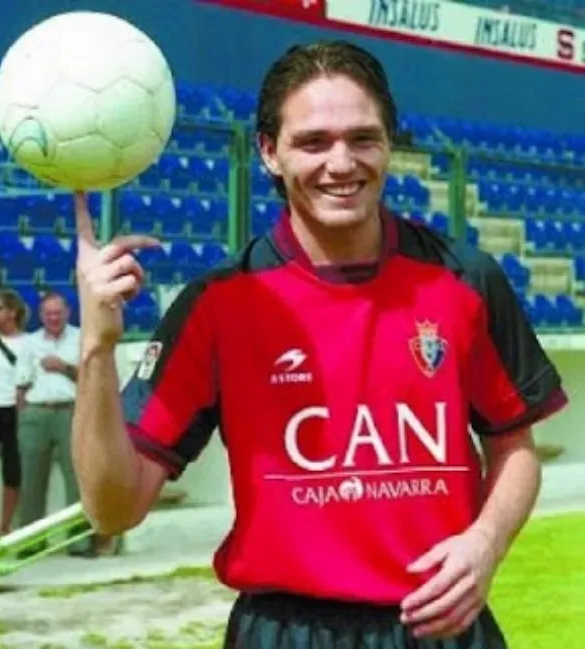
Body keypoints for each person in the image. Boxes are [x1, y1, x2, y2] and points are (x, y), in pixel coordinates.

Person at [72, 41, 568, 648]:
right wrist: (96, 351)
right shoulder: (218, 305)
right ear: (269, 153)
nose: (342, 163)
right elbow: (112, 511)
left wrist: (485, 544)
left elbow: (514, 446)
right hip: (285, 632)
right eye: (313, 142)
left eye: (363, 138)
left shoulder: (466, 280)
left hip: (442, 627)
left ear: (389, 145)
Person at [14, 291, 92, 556]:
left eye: (58, 313)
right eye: (48, 314)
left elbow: (94, 378)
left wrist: (65, 368)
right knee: (32, 481)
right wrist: (23, 418)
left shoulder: (82, 338)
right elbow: (21, 385)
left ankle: (79, 541)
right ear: (41, 315)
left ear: (67, 313)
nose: (53, 318)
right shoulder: (30, 343)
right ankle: (31, 543)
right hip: (36, 412)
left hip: (71, 411)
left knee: (77, 480)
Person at [0, 289, 28, 536]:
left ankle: (4, 526)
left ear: (12, 312)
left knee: (12, 470)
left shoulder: (29, 342)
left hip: (14, 411)